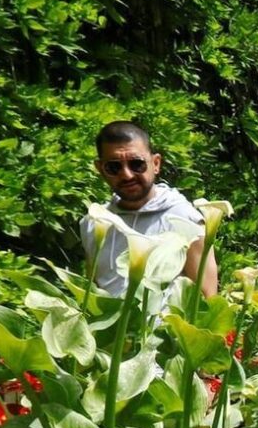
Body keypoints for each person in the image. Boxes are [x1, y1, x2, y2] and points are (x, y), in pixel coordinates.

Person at [82, 121, 217, 297]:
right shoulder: (94, 222)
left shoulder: (185, 219)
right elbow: (94, 291)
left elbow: (207, 297)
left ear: (156, 163)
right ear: (100, 169)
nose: (127, 174)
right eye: (114, 167)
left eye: (136, 164)